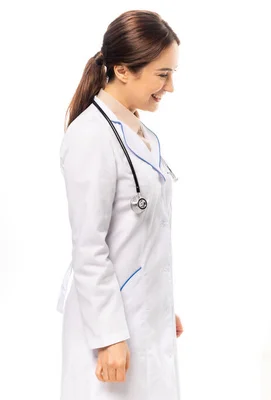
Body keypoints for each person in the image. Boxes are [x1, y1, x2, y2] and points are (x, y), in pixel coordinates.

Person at [58, 10, 183, 400]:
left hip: (143, 315)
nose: (171, 87)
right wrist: (110, 336)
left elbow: (141, 235)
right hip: (111, 323)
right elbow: (89, 248)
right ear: (124, 70)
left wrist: (160, 304)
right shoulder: (90, 137)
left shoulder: (138, 132)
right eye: (162, 74)